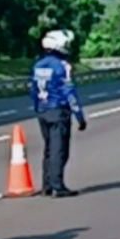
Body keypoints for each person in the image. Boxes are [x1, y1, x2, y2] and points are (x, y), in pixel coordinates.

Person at [31, 30, 87, 197]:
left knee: (48, 149)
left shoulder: (38, 64)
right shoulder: (62, 66)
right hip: (58, 110)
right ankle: (57, 185)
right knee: (59, 149)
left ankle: (47, 185)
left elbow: (33, 90)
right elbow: (69, 91)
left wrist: (38, 108)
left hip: (43, 109)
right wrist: (80, 116)